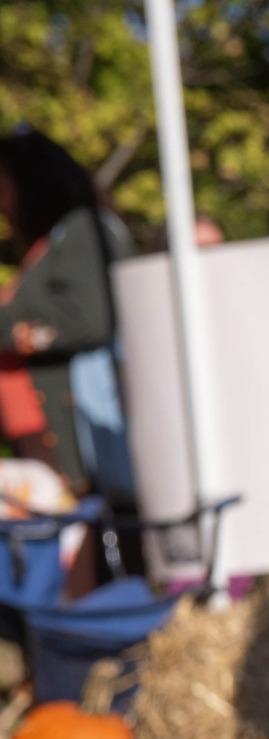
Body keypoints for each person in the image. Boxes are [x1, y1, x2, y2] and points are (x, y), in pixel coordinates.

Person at [0, 127, 134, 491]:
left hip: (73, 430)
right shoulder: (53, 242)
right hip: (39, 429)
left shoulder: (84, 232)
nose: (3, 202)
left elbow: (89, 318)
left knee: (82, 534)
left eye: (5, 187)